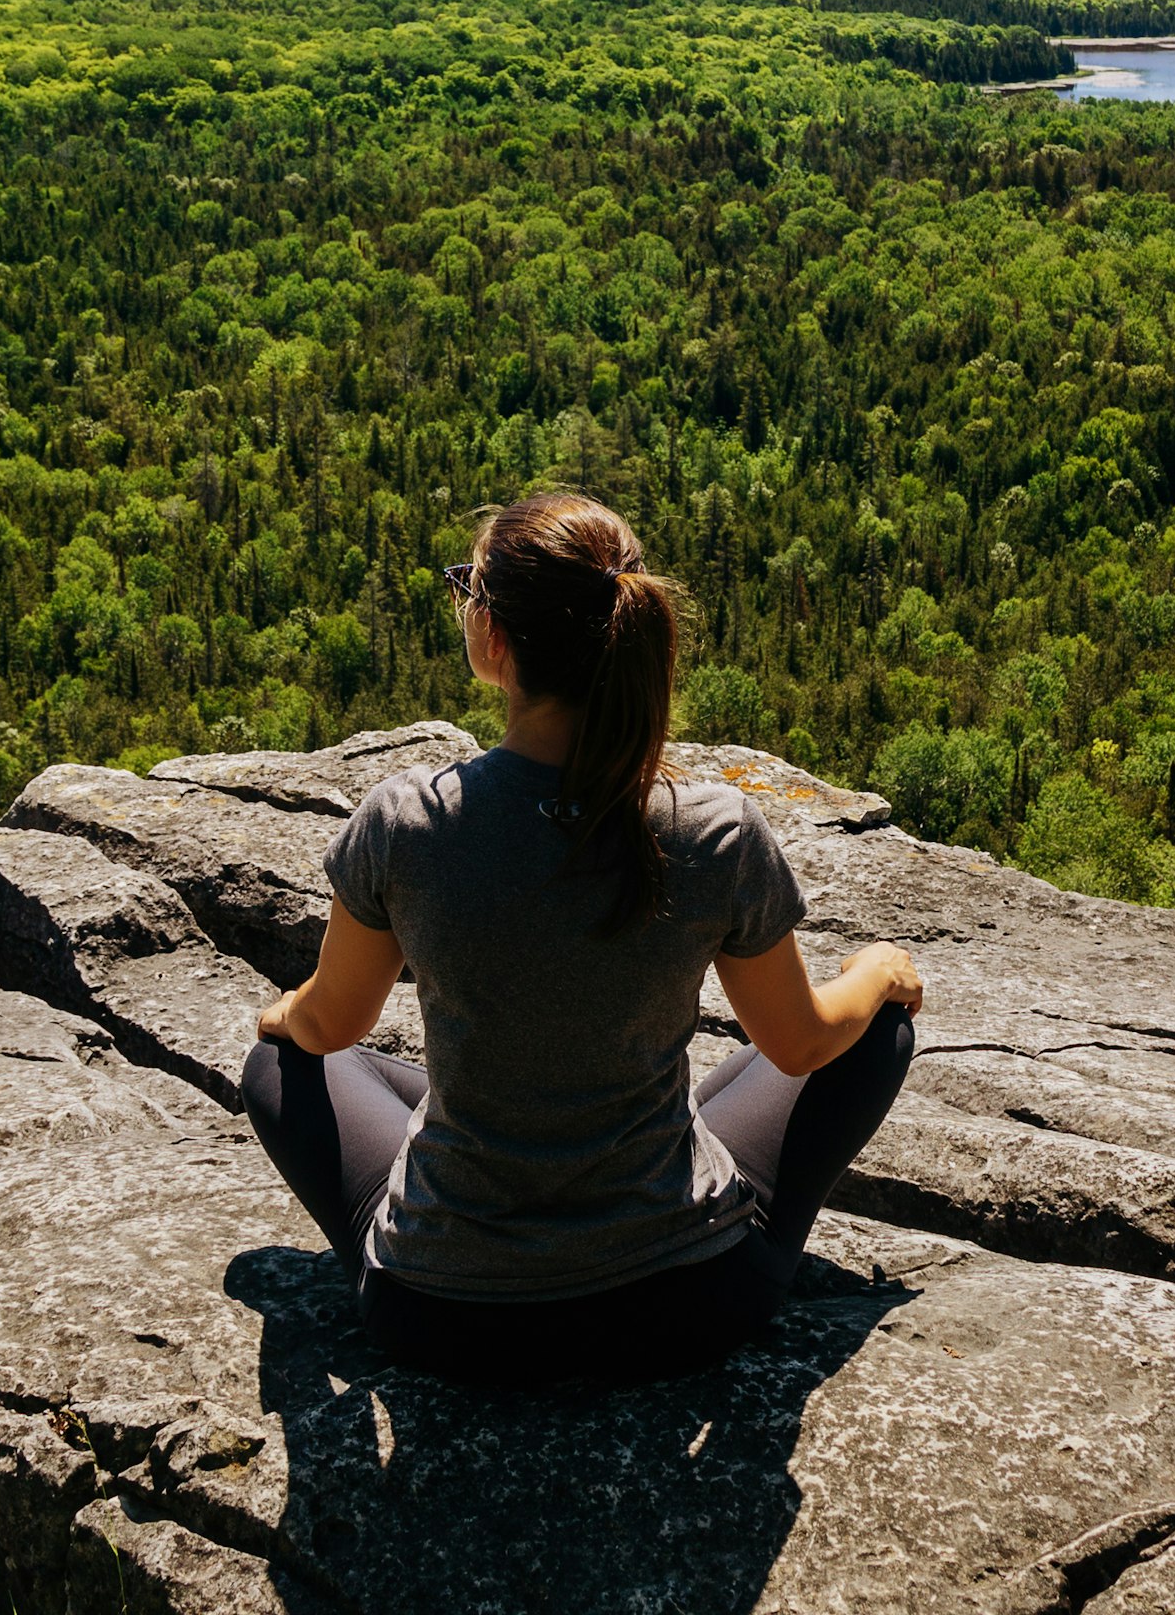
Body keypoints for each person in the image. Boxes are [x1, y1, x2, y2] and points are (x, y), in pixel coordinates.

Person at [241, 491, 922, 1386]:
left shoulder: (409, 822)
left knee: (278, 1064)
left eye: (467, 588)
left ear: (496, 637)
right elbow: (797, 1045)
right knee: (875, 1030)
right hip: (690, 1306)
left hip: (442, 1319)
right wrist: (873, 973)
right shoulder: (711, 828)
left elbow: (331, 1029)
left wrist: (289, 1012)